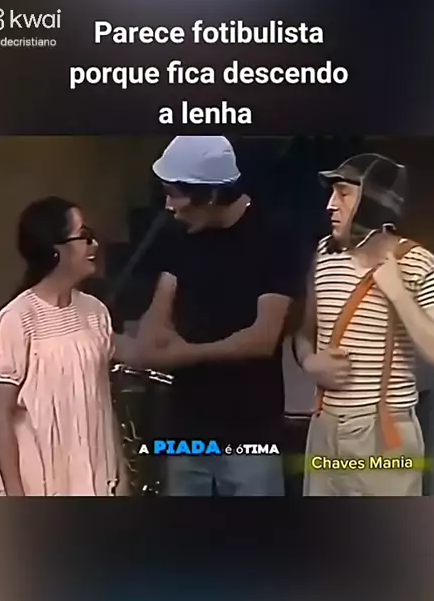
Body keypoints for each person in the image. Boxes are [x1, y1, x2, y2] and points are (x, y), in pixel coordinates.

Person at [124, 135, 305, 496]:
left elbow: (262, 338)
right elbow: (159, 315)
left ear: (209, 195)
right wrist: (149, 342)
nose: (168, 206)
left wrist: (183, 354)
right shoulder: (181, 236)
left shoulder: (275, 237)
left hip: (250, 431)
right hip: (186, 429)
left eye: (175, 194)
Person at [294, 153, 434, 496]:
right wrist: (309, 362)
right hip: (323, 430)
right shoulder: (324, 254)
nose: (330, 205)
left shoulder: (418, 263)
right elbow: (304, 332)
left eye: (344, 194)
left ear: (374, 203)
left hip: (383, 435)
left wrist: (398, 293)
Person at [0, 196, 128, 496]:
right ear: (55, 249)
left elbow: (103, 400)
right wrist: (15, 497)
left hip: (94, 480)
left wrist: (119, 475)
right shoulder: (17, 319)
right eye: (84, 236)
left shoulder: (96, 312)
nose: (94, 245)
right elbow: (2, 417)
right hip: (37, 485)